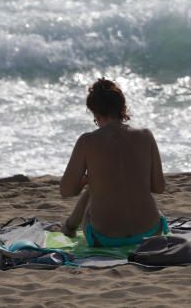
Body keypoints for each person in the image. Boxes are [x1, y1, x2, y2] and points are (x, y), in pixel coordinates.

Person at [60, 78, 167, 247]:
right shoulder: (146, 135)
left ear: (95, 113)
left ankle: (68, 228)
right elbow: (159, 187)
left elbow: (66, 191)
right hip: (150, 233)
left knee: (94, 188)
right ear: (122, 108)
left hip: (104, 238)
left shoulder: (87, 141)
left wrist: (86, 181)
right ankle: (69, 226)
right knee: (104, 186)